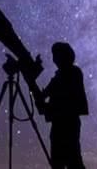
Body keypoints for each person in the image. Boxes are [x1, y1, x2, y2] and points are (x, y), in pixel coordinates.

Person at [38, 41, 88, 169]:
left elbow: (62, 98)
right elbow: (46, 95)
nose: (54, 59)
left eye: (56, 56)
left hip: (67, 123)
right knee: (60, 161)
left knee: (73, 161)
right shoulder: (62, 75)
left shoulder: (72, 73)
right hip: (61, 123)